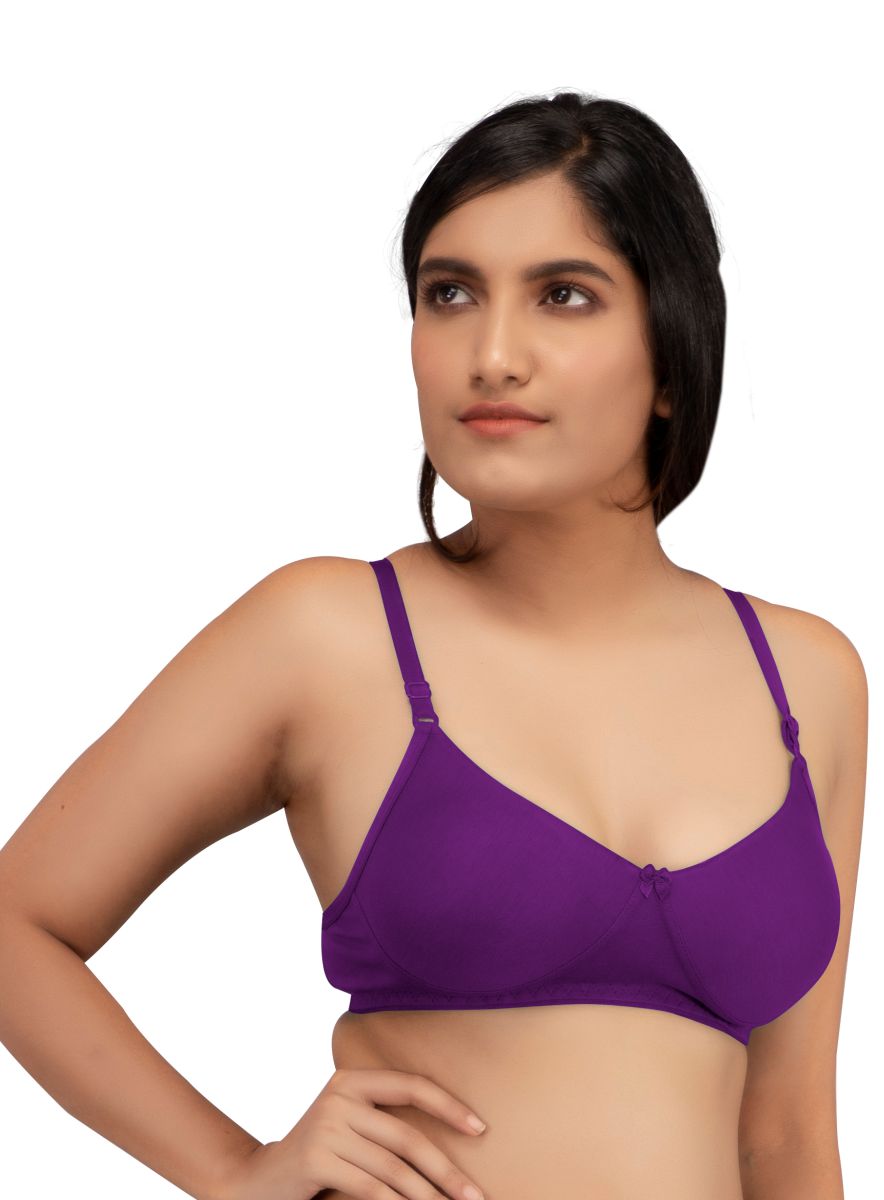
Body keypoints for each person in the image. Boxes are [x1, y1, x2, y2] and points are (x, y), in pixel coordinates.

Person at [0, 91, 866, 1200]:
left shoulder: (808, 678)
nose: (490, 355)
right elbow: (19, 924)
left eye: (563, 295)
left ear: (671, 346)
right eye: (448, 293)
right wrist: (232, 1169)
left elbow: (786, 1135)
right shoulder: (327, 635)